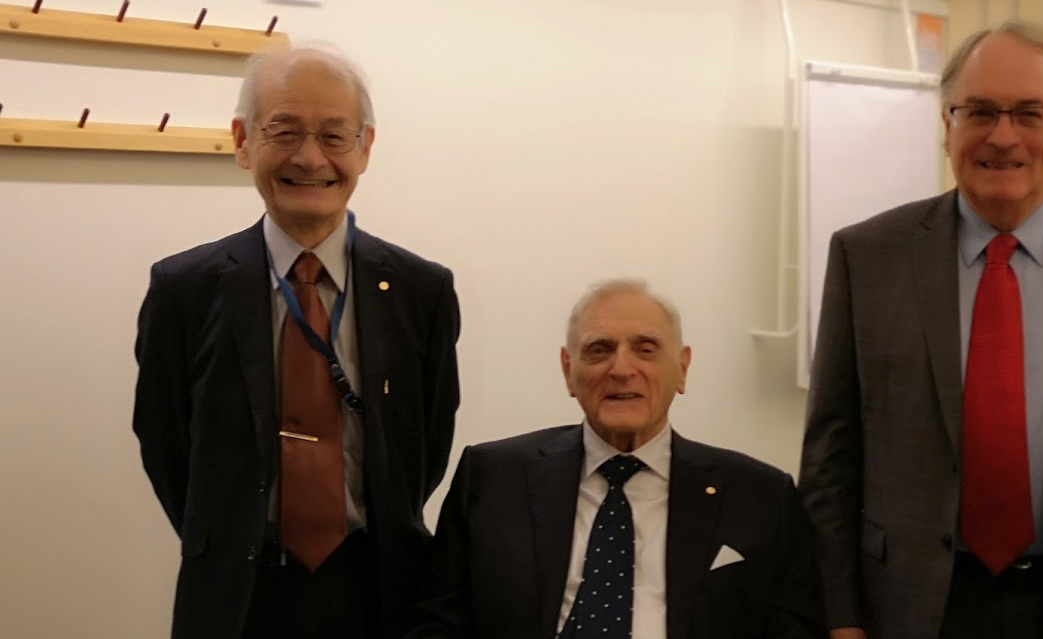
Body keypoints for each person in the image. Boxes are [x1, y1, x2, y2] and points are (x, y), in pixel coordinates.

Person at [799, 20, 1043, 639]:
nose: (1003, 135)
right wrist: (840, 617)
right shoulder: (868, 256)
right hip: (913, 605)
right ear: (947, 126)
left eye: (1029, 114)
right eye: (980, 111)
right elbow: (830, 459)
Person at [132, 46, 460, 639]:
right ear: (243, 141)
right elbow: (165, 440)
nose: (310, 158)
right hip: (238, 597)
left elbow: (427, 441)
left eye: (334, 136)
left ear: (365, 148)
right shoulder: (185, 288)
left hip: (382, 590)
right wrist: (228, 537)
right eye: (284, 131)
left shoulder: (422, 290)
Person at [405, 279, 825, 639]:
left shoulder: (759, 497)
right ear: (568, 370)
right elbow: (436, 622)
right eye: (599, 349)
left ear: (682, 368)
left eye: (646, 349)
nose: (621, 369)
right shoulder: (492, 478)